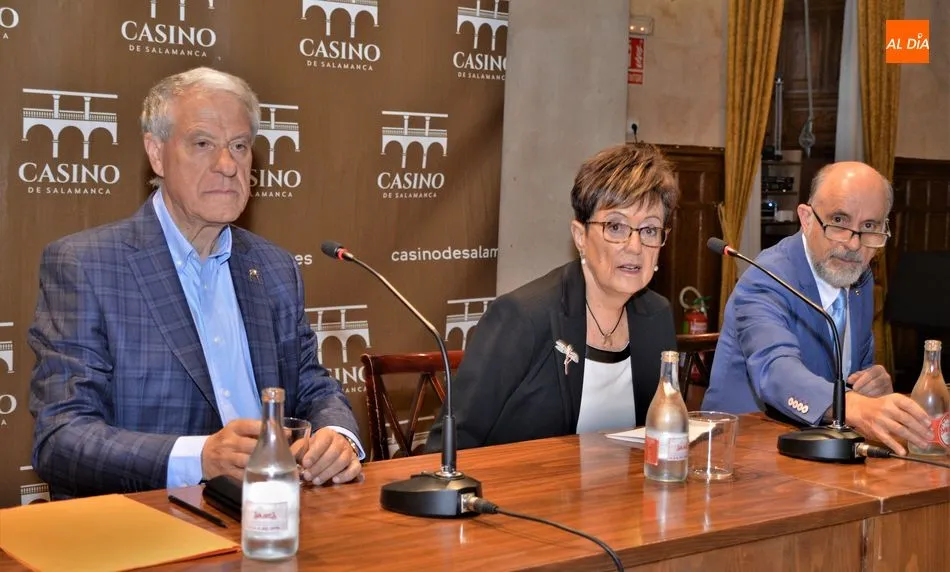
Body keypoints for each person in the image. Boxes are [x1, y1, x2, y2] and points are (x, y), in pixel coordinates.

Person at [28, 67, 363, 499]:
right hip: (147, 525)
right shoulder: (86, 265)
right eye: (203, 144)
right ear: (156, 152)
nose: (227, 165)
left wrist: (337, 435)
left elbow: (315, 387)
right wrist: (200, 458)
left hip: (277, 512)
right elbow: (60, 437)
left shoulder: (274, 267)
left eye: (239, 146)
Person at [426, 143, 679, 450]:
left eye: (650, 230)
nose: (635, 246)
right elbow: (447, 446)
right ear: (580, 237)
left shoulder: (656, 316)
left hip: (624, 495)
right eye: (616, 226)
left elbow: (655, 433)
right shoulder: (523, 316)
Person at [702, 161, 933, 455]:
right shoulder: (765, 279)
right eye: (839, 220)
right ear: (806, 218)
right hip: (741, 455)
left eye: (870, 227)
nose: (853, 244)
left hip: (825, 451)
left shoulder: (859, 279)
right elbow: (776, 371)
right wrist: (852, 405)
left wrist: (871, 384)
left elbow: (853, 373)